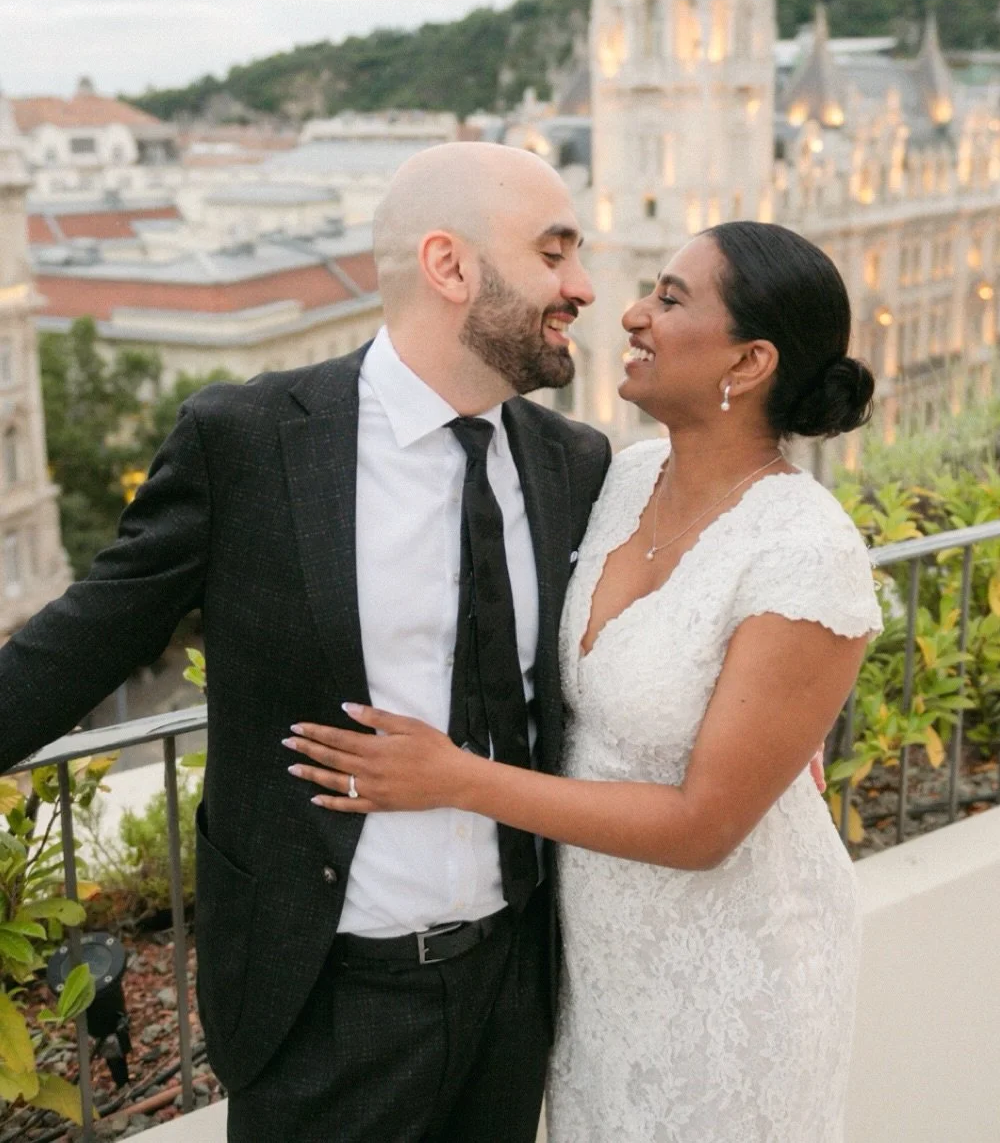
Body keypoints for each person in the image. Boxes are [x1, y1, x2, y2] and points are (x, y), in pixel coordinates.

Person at [0, 142, 610, 1143]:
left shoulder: (572, 460)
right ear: (448, 266)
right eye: (554, 254)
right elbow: (80, 642)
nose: (581, 286)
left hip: (513, 987)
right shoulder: (248, 441)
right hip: (322, 996)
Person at [286, 220, 884, 1142]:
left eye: (672, 299)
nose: (633, 313)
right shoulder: (623, 476)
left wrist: (453, 778)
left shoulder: (805, 550)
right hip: (597, 963)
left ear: (751, 359)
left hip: (734, 961)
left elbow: (704, 828)